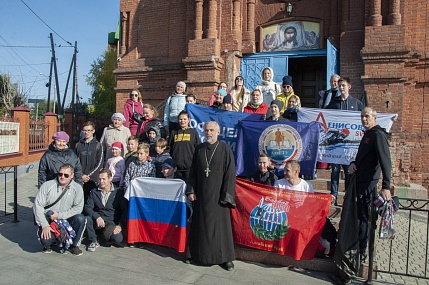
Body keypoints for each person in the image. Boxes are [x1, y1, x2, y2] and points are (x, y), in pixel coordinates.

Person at [186, 121, 236, 271]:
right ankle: (196, 254)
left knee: (221, 229)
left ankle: (225, 258)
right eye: (206, 130)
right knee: (200, 226)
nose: (209, 133)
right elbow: (193, 172)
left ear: (218, 132)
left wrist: (226, 195)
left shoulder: (225, 150)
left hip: (218, 197)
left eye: (212, 130)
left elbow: (230, 174)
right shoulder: (199, 149)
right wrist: (191, 190)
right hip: (201, 195)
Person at [349, 107, 392, 260]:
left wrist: (386, 186)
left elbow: (385, 161)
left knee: (364, 218)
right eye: (362, 116)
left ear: (375, 117)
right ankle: (359, 247)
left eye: (367, 116)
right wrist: (354, 163)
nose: (364, 119)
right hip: (361, 181)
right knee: (360, 216)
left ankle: (362, 252)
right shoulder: (368, 135)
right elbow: (365, 158)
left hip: (369, 184)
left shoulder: (378, 135)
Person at [326, 77, 365, 204]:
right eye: (339, 85)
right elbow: (324, 116)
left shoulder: (356, 103)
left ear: (349, 87)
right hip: (337, 145)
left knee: (349, 171)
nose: (341, 88)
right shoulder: (334, 103)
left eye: (343, 85)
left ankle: (348, 195)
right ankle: (334, 195)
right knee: (335, 171)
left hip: (350, 146)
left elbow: (366, 116)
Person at [33, 164, 86, 256]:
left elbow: (78, 208)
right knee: (46, 240)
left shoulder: (77, 188)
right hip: (50, 220)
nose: (62, 177)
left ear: (72, 175)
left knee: (81, 219)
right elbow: (38, 205)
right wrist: (44, 225)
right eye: (60, 174)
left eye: (66, 175)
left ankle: (74, 245)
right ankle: (49, 243)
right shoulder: (47, 185)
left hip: (66, 219)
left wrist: (59, 215)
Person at [84, 169, 127, 251]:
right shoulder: (94, 192)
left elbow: (124, 211)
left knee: (118, 239)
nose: (101, 181)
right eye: (99, 179)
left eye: (104, 179)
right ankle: (94, 240)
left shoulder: (118, 192)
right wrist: (97, 217)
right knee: (87, 219)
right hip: (98, 220)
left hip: (111, 221)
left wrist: (119, 226)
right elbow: (88, 208)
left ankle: (104, 235)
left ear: (110, 178)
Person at [75, 121, 104, 203]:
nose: (86, 132)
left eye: (89, 130)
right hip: (79, 178)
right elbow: (75, 162)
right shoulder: (78, 145)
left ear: (93, 131)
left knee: (90, 202)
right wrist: (81, 175)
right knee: (79, 201)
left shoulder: (98, 145)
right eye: (84, 130)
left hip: (92, 179)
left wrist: (87, 176)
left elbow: (99, 163)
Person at [168, 110, 201, 182]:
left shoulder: (193, 132)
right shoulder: (174, 132)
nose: (182, 121)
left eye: (184, 119)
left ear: (188, 120)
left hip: (189, 167)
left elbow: (198, 148)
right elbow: (169, 147)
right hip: (176, 167)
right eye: (180, 119)